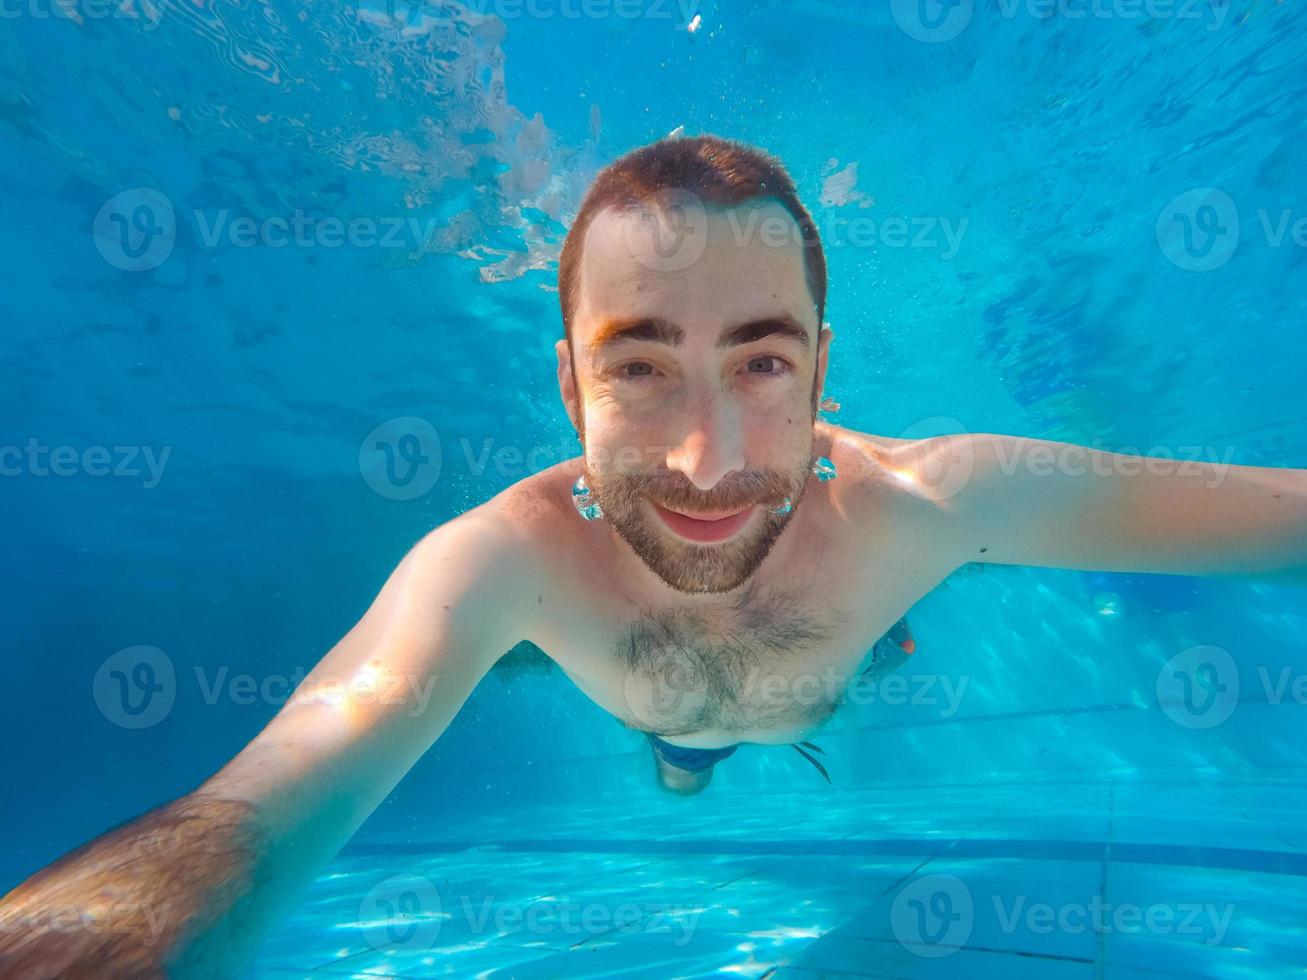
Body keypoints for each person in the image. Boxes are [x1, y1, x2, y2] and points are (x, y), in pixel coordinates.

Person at [2, 134, 1304, 978]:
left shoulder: (931, 498)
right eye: (640, 366)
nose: (704, 461)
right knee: (685, 764)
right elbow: (255, 806)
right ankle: (695, 755)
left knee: (888, 622)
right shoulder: (495, 563)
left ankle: (866, 649)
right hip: (672, 718)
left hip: (845, 651)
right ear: (569, 386)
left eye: (761, 360)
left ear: (821, 371)